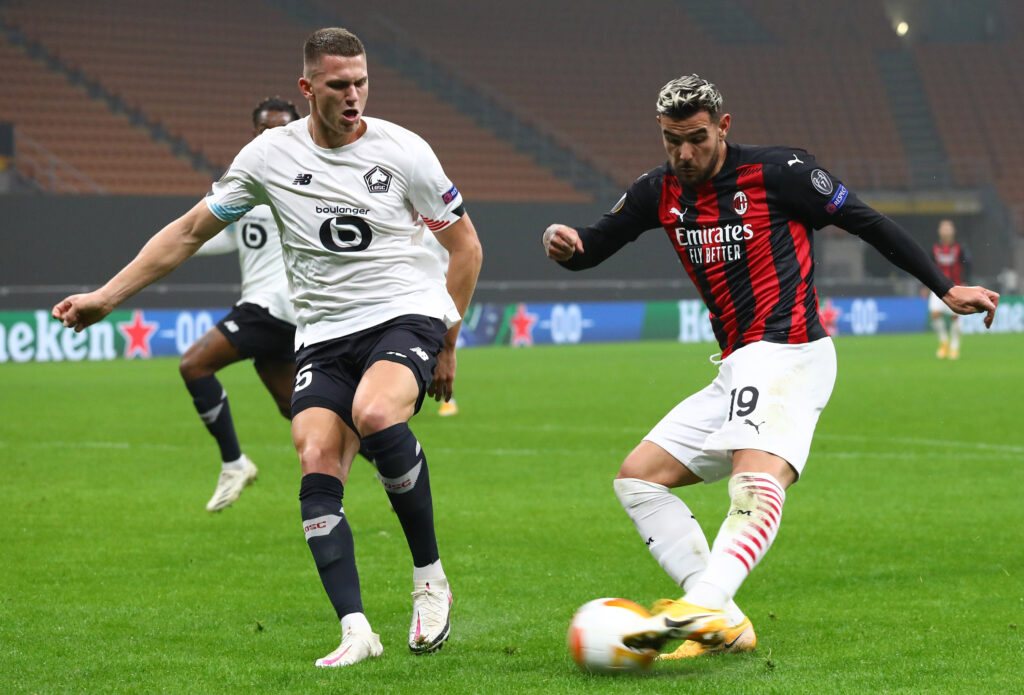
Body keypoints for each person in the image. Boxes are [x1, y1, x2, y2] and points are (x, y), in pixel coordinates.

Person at [52, 27, 482, 668]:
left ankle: (430, 580)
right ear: (308, 87)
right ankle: (356, 629)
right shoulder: (267, 156)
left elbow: (466, 247)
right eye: (338, 85)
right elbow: (190, 231)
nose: (353, 95)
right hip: (322, 334)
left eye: (361, 82)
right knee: (314, 457)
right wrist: (107, 297)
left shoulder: (405, 151)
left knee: (374, 412)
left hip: (403, 314)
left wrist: (447, 342)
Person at [542, 74, 998, 659]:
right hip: (737, 365)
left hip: (791, 350)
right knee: (638, 479)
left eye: (697, 138)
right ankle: (723, 619)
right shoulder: (658, 191)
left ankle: (706, 603)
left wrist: (943, 287)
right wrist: (565, 242)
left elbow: (867, 220)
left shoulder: (780, 173)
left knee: (754, 477)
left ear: (723, 126)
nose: (685, 154)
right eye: (673, 141)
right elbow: (592, 246)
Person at [183, 97, 301, 512]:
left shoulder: (306, 181)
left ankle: (234, 463)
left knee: (194, 365)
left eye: (282, 128)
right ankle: (390, 465)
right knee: (297, 408)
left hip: (272, 307)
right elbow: (225, 236)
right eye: (266, 129)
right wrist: (178, 245)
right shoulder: (247, 179)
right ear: (255, 133)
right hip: (276, 315)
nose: (274, 136)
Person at [928, 219, 970, 359]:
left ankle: (954, 347)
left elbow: (967, 266)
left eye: (948, 228)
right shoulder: (934, 249)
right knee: (935, 314)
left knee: (955, 317)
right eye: (943, 228)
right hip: (937, 287)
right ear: (939, 231)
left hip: (955, 287)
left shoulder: (959, 248)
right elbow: (928, 268)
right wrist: (925, 285)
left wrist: (965, 282)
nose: (946, 231)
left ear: (953, 231)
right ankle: (944, 341)